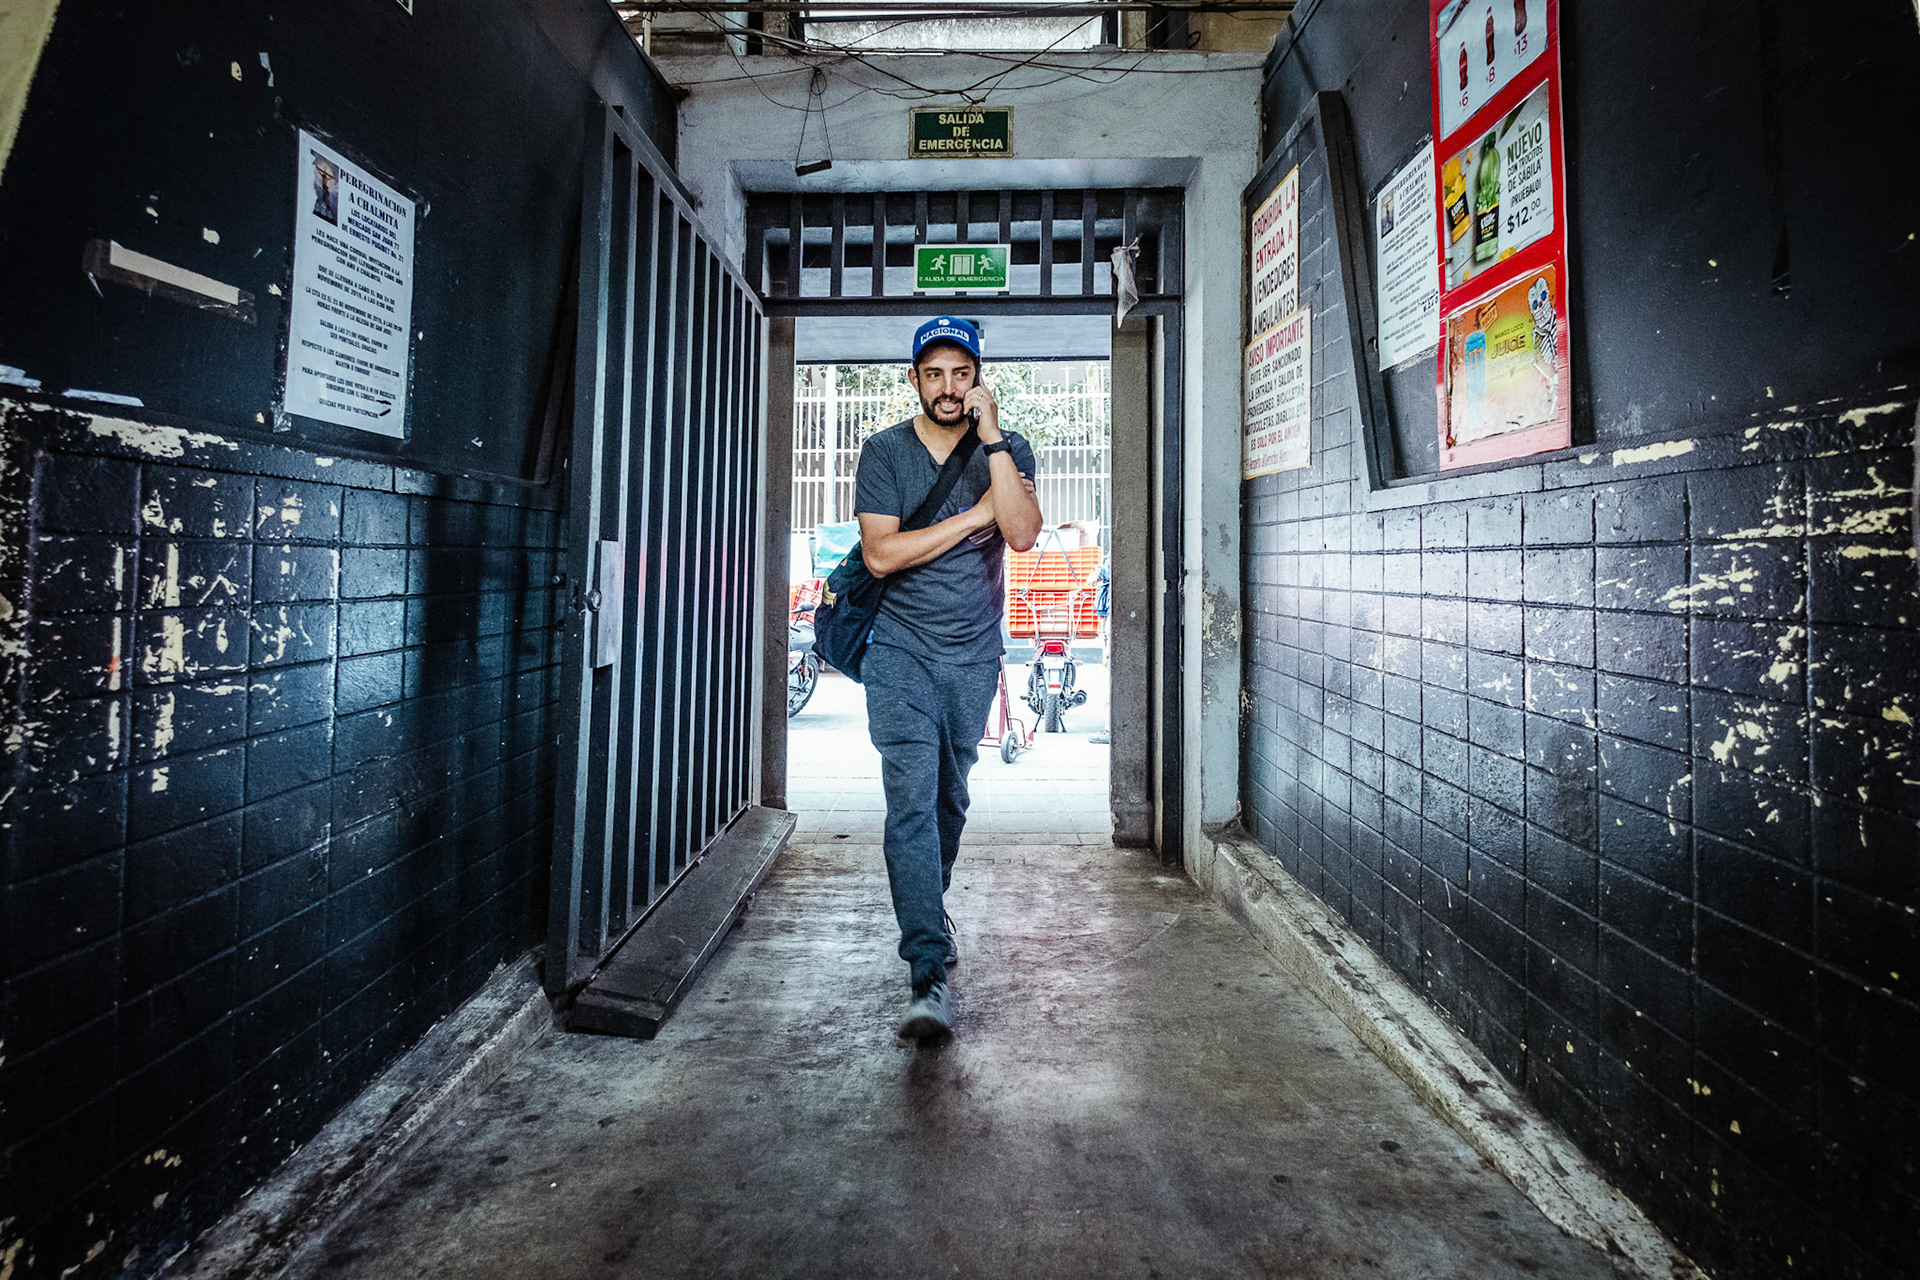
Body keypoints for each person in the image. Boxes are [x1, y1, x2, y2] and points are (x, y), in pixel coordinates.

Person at [853, 317, 1043, 1042]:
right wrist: (971, 518)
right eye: (933, 374)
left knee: (948, 800)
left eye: (961, 373)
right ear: (914, 380)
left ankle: (927, 909)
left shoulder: (1008, 450)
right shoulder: (884, 452)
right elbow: (880, 555)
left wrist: (994, 440)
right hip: (898, 652)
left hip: (971, 657)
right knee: (909, 801)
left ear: (978, 379)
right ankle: (926, 970)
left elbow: (1022, 533)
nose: (948, 387)